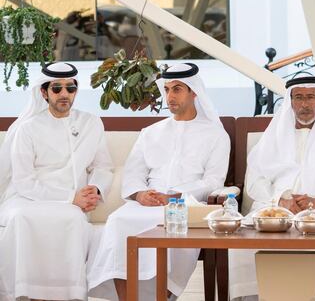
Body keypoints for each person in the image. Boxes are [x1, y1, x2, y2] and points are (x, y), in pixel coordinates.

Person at [88, 63, 230, 301]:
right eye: (167, 90)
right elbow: (133, 172)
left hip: (187, 205)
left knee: (168, 225)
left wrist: (175, 195)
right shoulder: (151, 132)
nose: (170, 96)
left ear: (194, 91)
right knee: (118, 220)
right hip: (146, 203)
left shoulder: (216, 135)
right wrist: (140, 194)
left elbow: (214, 180)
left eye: (177, 89)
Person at [229, 76, 315, 301]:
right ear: (290, 102)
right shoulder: (273, 137)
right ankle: (252, 296)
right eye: (298, 97)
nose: (304, 104)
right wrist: (280, 200)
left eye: (310, 97)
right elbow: (254, 181)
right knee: (241, 237)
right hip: (275, 209)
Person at [0, 62, 113, 301]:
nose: (64, 94)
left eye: (70, 88)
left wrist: (96, 190)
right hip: (26, 199)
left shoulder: (91, 123)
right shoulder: (27, 129)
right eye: (57, 88)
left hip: (74, 203)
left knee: (72, 217)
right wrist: (71, 197)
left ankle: (67, 295)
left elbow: (103, 166)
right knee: (21, 218)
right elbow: (23, 182)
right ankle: (26, 293)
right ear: (43, 92)